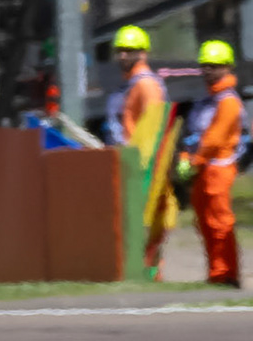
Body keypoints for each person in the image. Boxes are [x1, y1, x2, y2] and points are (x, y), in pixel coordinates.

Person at [105, 25, 179, 277]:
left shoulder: (146, 86)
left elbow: (154, 130)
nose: (123, 55)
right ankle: (142, 273)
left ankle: (149, 276)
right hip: (131, 164)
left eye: (130, 50)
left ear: (143, 53)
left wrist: (144, 169)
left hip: (143, 167)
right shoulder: (131, 85)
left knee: (146, 226)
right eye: (120, 50)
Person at [178, 40, 247, 287]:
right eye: (205, 65)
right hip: (201, 169)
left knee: (220, 223)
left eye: (215, 66)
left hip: (219, 167)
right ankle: (215, 272)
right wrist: (186, 156)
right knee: (205, 223)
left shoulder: (228, 101)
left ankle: (227, 273)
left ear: (227, 67)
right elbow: (191, 134)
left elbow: (214, 138)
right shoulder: (203, 102)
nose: (208, 70)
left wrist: (194, 161)